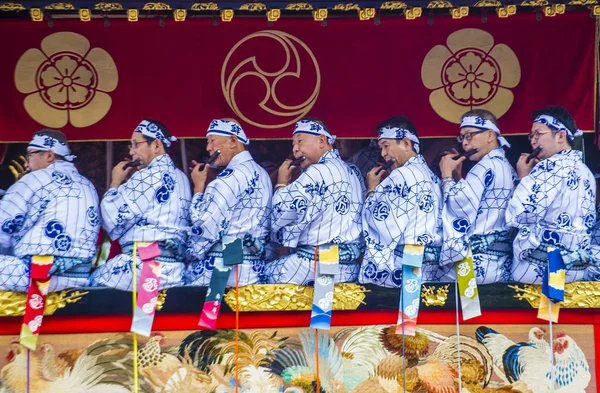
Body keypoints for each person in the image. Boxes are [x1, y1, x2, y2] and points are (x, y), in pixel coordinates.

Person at [89, 120, 191, 290]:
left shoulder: (144, 176)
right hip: (174, 270)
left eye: (136, 144)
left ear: (156, 145)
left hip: (142, 267)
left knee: (91, 283)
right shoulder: (182, 178)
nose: (131, 151)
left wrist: (115, 182)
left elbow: (113, 219)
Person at [263, 117, 364, 284]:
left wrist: (281, 184)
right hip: (348, 267)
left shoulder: (316, 172)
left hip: (313, 265)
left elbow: (281, 215)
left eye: (300, 142)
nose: (295, 149)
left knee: (258, 276)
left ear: (322, 140)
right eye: (293, 145)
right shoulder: (353, 170)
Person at [0, 129, 99, 292]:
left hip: (35, 274)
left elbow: (3, 228)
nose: (26, 164)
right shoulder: (88, 185)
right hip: (79, 277)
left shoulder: (34, 179)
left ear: (49, 156)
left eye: (30, 155)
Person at [506, 106, 596, 283]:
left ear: (561, 136)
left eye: (538, 134)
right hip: (577, 269)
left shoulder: (548, 166)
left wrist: (523, 178)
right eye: (531, 136)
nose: (533, 140)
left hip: (543, 267)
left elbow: (521, 214)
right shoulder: (586, 172)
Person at [185, 119, 272, 286]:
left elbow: (203, 225)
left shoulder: (228, 178)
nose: (208, 148)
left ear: (233, 141)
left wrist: (198, 188)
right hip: (255, 269)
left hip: (223, 269)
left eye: (212, 141)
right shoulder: (262, 174)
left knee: (178, 280)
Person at [359, 116, 443, 287]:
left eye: (385, 146)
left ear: (406, 143)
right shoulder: (431, 175)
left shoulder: (402, 175)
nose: (383, 154)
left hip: (404, 266)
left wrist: (372, 190)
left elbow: (383, 224)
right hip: (430, 268)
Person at [436, 109, 517, 284]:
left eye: (469, 136)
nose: (464, 143)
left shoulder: (485, 166)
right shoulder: (505, 165)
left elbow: (459, 207)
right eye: (462, 138)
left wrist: (446, 175)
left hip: (475, 264)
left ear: (489, 135)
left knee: (430, 276)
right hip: (499, 263)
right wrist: (458, 177)